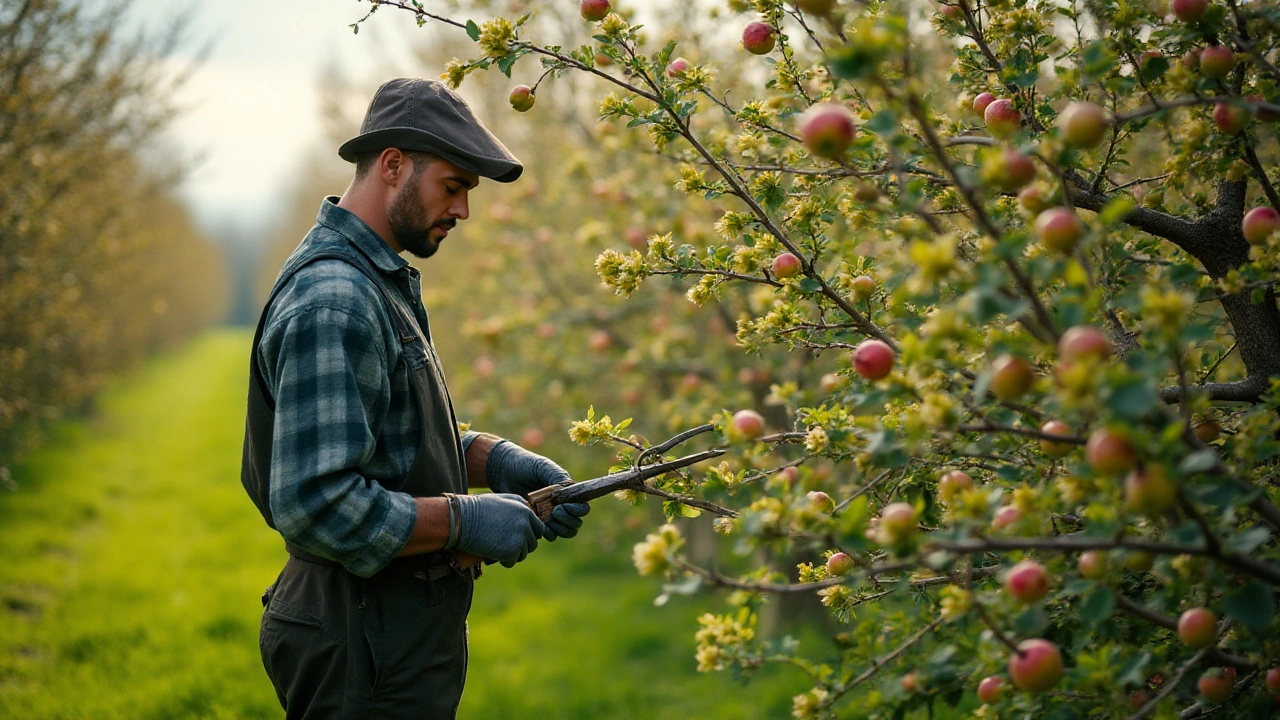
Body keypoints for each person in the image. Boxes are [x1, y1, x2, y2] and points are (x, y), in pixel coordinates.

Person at [240, 77, 591, 720]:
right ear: (394, 165)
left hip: (385, 631)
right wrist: (464, 520)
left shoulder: (379, 279)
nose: (462, 211)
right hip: (362, 640)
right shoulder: (336, 299)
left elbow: (387, 438)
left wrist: (497, 460)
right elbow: (317, 502)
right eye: (452, 186)